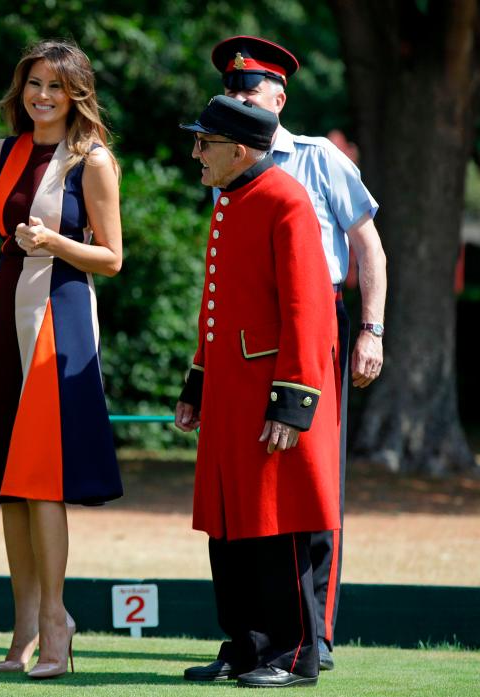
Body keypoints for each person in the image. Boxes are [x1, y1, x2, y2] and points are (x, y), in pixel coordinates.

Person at [0, 39, 123, 680]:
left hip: (59, 319)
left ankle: (56, 626)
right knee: (10, 487)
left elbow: (113, 259)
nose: (42, 96)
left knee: (42, 480)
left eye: (56, 87)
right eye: (35, 83)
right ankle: (24, 628)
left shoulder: (93, 161)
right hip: (4, 316)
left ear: (76, 95)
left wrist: (55, 240)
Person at [211, 35, 387, 670]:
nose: (236, 96)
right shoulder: (227, 159)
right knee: (253, 486)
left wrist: (372, 330)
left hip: (318, 328)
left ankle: (315, 636)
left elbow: (367, 244)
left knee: (310, 484)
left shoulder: (317, 159)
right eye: (231, 89)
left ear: (279, 98)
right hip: (249, 340)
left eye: (248, 89)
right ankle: (260, 637)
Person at [176, 96, 340, 688]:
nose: (196, 153)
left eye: (204, 143)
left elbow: (308, 310)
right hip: (232, 393)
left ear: (239, 151)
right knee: (232, 527)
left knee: (278, 528)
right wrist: (198, 381)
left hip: (273, 395)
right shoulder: (232, 198)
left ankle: (294, 655)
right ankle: (246, 646)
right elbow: (217, 307)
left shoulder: (285, 199)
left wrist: (294, 403)